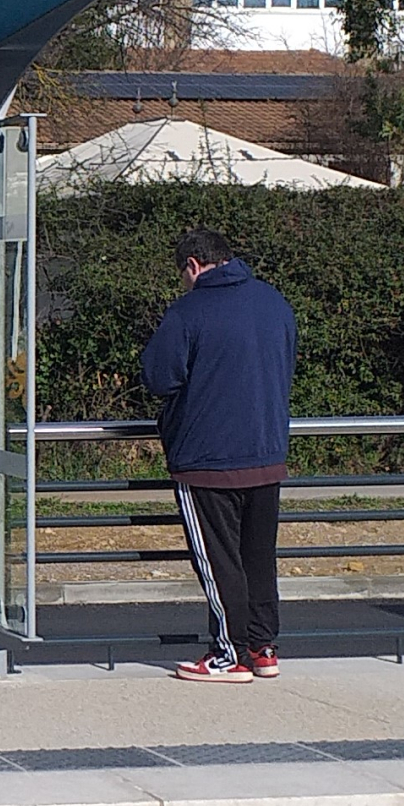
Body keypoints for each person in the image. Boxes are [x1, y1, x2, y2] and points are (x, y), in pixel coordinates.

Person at [141, 228, 298, 683]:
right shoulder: (273, 302)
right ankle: (263, 647)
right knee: (258, 559)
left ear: (192, 265)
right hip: (266, 450)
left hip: (206, 458)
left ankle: (229, 654)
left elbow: (158, 377)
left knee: (219, 563)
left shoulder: (189, 311)